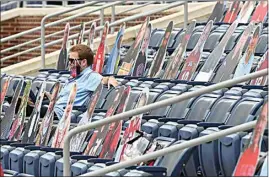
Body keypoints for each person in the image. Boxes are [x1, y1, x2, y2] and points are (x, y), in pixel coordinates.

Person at [45, 44, 118, 120]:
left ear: (83, 62)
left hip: (61, 115)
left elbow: (105, 80)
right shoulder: (72, 78)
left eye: (72, 61)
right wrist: (50, 97)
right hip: (53, 110)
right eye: (69, 60)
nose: (69, 63)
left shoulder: (90, 77)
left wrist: (110, 79)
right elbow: (62, 100)